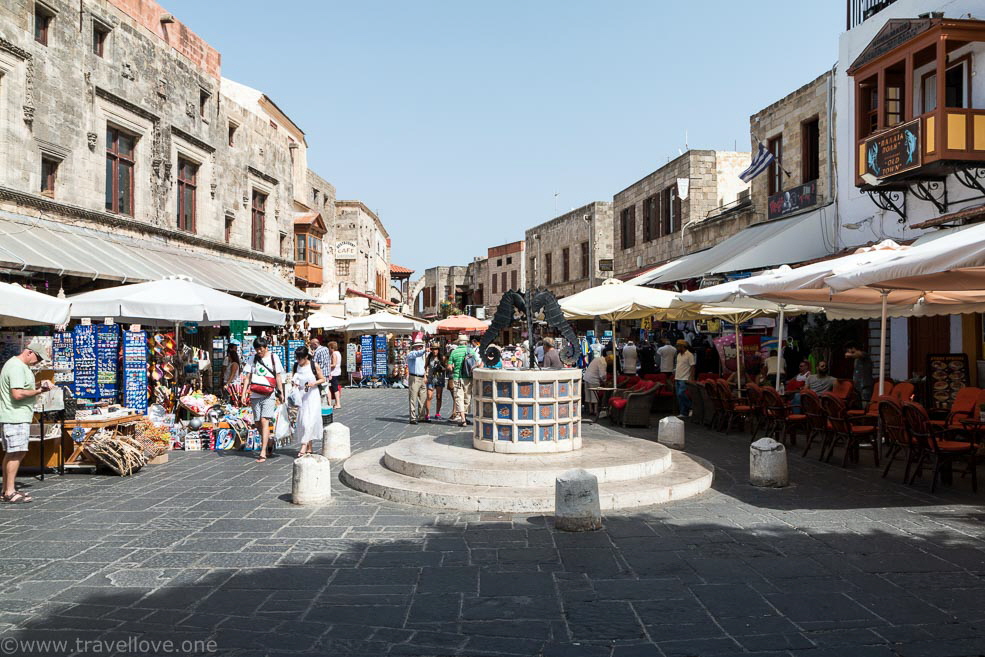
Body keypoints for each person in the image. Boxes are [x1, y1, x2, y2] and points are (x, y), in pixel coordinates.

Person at [1, 340, 53, 503]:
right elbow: (17, 394)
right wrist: (38, 390)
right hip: (15, 416)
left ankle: (6, 490)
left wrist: (38, 385)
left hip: (17, 415)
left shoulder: (20, 366)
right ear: (29, 352)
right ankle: (9, 491)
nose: (38, 362)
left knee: (15, 452)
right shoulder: (16, 367)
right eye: (37, 358)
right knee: (16, 452)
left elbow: (23, 388)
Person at [240, 337, 285, 463]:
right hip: (255, 393)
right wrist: (244, 393)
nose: (259, 351)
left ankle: (263, 451)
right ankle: (269, 440)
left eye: (261, 348)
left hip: (269, 393)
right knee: (257, 422)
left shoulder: (273, 358)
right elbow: (247, 377)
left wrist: (281, 392)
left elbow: (278, 376)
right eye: (257, 349)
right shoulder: (252, 358)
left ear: (266, 347)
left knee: (265, 420)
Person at [291, 346, 326, 457]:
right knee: (303, 421)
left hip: (312, 395)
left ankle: (303, 446)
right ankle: (309, 447)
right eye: (297, 358)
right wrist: (295, 384)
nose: (298, 360)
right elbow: (294, 378)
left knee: (309, 421)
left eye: (300, 358)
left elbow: (322, 379)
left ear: (306, 357)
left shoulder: (313, 365)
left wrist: (313, 383)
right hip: (302, 396)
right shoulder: (296, 366)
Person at [447, 334, 478, 426]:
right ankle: (465, 416)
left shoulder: (454, 352)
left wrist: (452, 367)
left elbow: (449, 366)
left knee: (459, 398)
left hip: (457, 377)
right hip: (468, 377)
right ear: (466, 342)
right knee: (467, 397)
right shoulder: (471, 351)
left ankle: (462, 419)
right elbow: (478, 363)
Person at [405, 339, 427, 425]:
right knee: (413, 398)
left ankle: (421, 415)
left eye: (421, 345)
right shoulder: (411, 353)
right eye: (419, 346)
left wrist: (425, 375)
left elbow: (423, 366)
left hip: (422, 377)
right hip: (414, 377)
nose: (420, 347)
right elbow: (416, 354)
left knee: (423, 397)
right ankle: (413, 417)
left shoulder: (422, 355)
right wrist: (424, 350)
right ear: (415, 346)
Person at [583, 350, 609, 416]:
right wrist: (605, 382)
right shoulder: (603, 362)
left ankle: (590, 410)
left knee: (589, 394)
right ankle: (595, 411)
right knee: (595, 395)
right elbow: (602, 375)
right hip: (593, 379)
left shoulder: (598, 359)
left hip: (586, 377)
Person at [424, 343, 446, 420]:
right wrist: (425, 376)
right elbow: (425, 367)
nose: (434, 351)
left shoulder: (442, 358)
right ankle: (427, 414)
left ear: (438, 350)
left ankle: (437, 413)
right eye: (433, 349)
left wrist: (441, 367)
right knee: (429, 396)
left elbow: (446, 368)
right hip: (431, 379)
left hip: (439, 379)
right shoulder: (429, 357)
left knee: (439, 397)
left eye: (436, 349)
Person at [674, 339, 695, 419]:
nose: (677, 348)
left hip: (685, 378)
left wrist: (691, 378)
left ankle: (691, 407)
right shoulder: (679, 355)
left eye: (678, 346)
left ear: (682, 346)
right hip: (678, 377)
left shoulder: (689, 355)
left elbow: (693, 366)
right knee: (679, 397)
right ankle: (683, 413)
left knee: (681, 393)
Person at [309, 338, 332, 407]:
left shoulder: (317, 351)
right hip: (327, 371)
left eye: (312, 345)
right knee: (327, 388)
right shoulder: (326, 349)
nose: (311, 347)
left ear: (315, 344)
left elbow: (315, 363)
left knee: (321, 389)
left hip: (320, 373)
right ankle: (329, 403)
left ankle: (322, 404)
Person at [328, 341, 343, 409]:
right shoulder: (338, 353)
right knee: (335, 387)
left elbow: (333, 364)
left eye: (329, 347)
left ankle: (338, 403)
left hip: (333, 373)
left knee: (335, 388)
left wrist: (327, 365)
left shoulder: (334, 354)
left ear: (332, 347)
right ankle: (337, 403)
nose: (329, 349)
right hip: (337, 372)